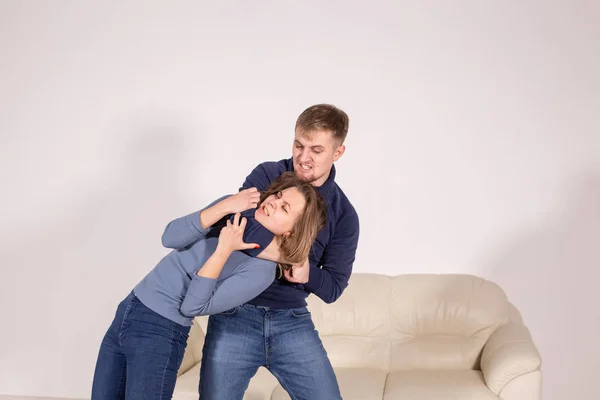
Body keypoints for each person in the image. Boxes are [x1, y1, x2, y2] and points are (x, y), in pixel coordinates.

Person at [90, 172, 327, 400]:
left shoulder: (261, 271)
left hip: (161, 330)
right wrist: (226, 205)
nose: (274, 203)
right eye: (278, 196)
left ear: (291, 231)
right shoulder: (236, 211)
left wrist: (223, 250)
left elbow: (193, 307)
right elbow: (169, 237)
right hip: (130, 308)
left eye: (285, 208)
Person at [199, 104, 360, 400]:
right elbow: (239, 224)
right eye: (299, 145)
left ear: (338, 153)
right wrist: (289, 255)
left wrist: (307, 272)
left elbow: (334, 286)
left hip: (291, 321)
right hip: (234, 314)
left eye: (316, 150)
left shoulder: (344, 215)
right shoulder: (268, 174)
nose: (303, 157)